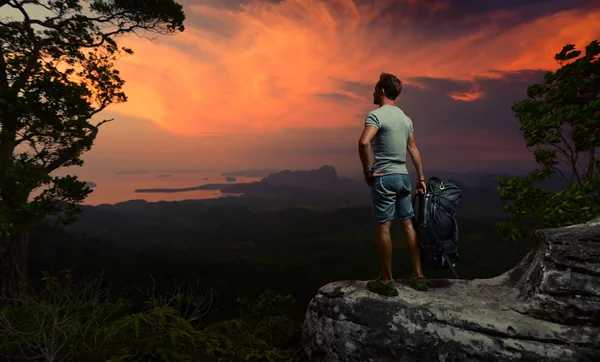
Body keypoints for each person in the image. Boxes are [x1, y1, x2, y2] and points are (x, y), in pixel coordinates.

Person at [358, 72, 428, 296]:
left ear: (382, 92)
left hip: (385, 178)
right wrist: (421, 178)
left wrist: (368, 171)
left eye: (374, 89)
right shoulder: (406, 118)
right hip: (403, 178)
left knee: (384, 226)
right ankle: (418, 276)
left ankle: (387, 280)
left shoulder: (376, 115)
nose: (373, 93)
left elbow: (364, 142)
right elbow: (413, 150)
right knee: (408, 224)